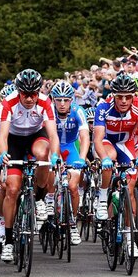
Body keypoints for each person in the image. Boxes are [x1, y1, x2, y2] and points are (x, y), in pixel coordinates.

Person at [0, 69, 60, 263]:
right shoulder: (9, 102)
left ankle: (40, 197)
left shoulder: (45, 101)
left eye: (34, 94)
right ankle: (8, 241)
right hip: (15, 140)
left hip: (35, 136)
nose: (30, 98)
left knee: (44, 154)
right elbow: (2, 136)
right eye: (26, 94)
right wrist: (2, 154)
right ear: (19, 92)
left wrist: (55, 155)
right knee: (12, 190)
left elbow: (53, 135)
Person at [93, 73, 138, 258]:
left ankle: (129, 237)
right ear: (113, 95)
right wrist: (104, 158)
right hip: (107, 143)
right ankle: (102, 198)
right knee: (109, 160)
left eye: (128, 96)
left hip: (127, 145)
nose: (124, 101)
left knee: (130, 187)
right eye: (120, 97)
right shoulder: (103, 107)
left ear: (133, 95)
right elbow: (98, 139)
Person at [50, 80, 90, 246]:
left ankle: (72, 223)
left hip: (72, 149)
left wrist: (81, 158)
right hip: (54, 149)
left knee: (73, 187)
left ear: (72, 100)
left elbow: (85, 137)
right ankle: (49, 206)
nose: (62, 103)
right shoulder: (49, 112)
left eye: (66, 100)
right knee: (50, 179)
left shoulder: (78, 111)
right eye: (58, 100)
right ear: (53, 100)